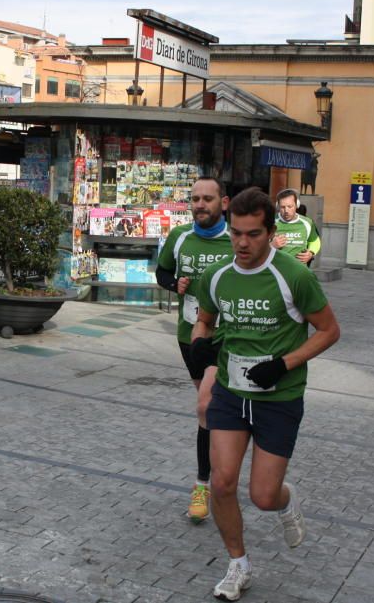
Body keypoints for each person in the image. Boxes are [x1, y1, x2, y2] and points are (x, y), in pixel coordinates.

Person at [191, 187, 340, 600]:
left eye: (252, 234)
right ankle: (238, 564)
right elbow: (203, 322)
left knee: (262, 495)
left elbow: (330, 331)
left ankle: (287, 500)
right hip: (230, 394)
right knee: (221, 484)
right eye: (236, 233)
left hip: (279, 398)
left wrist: (284, 363)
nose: (241, 243)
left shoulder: (294, 275)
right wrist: (203, 345)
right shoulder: (217, 276)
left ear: (271, 232)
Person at [156, 177, 232, 524]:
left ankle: (204, 484)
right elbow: (161, 272)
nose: (200, 205)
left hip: (228, 338)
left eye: (208, 199)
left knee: (205, 406)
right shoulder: (180, 237)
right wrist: (176, 284)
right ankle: (218, 470)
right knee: (212, 410)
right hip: (190, 336)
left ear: (223, 203)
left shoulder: (236, 239)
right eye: (195, 199)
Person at [272, 188, 320, 265]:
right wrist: (271, 245)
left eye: (290, 206)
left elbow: (314, 241)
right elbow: (257, 247)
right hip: (276, 271)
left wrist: (311, 253)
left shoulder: (307, 222)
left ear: (297, 205)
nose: (286, 211)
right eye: (283, 207)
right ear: (278, 206)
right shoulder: (270, 222)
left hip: (300, 272)